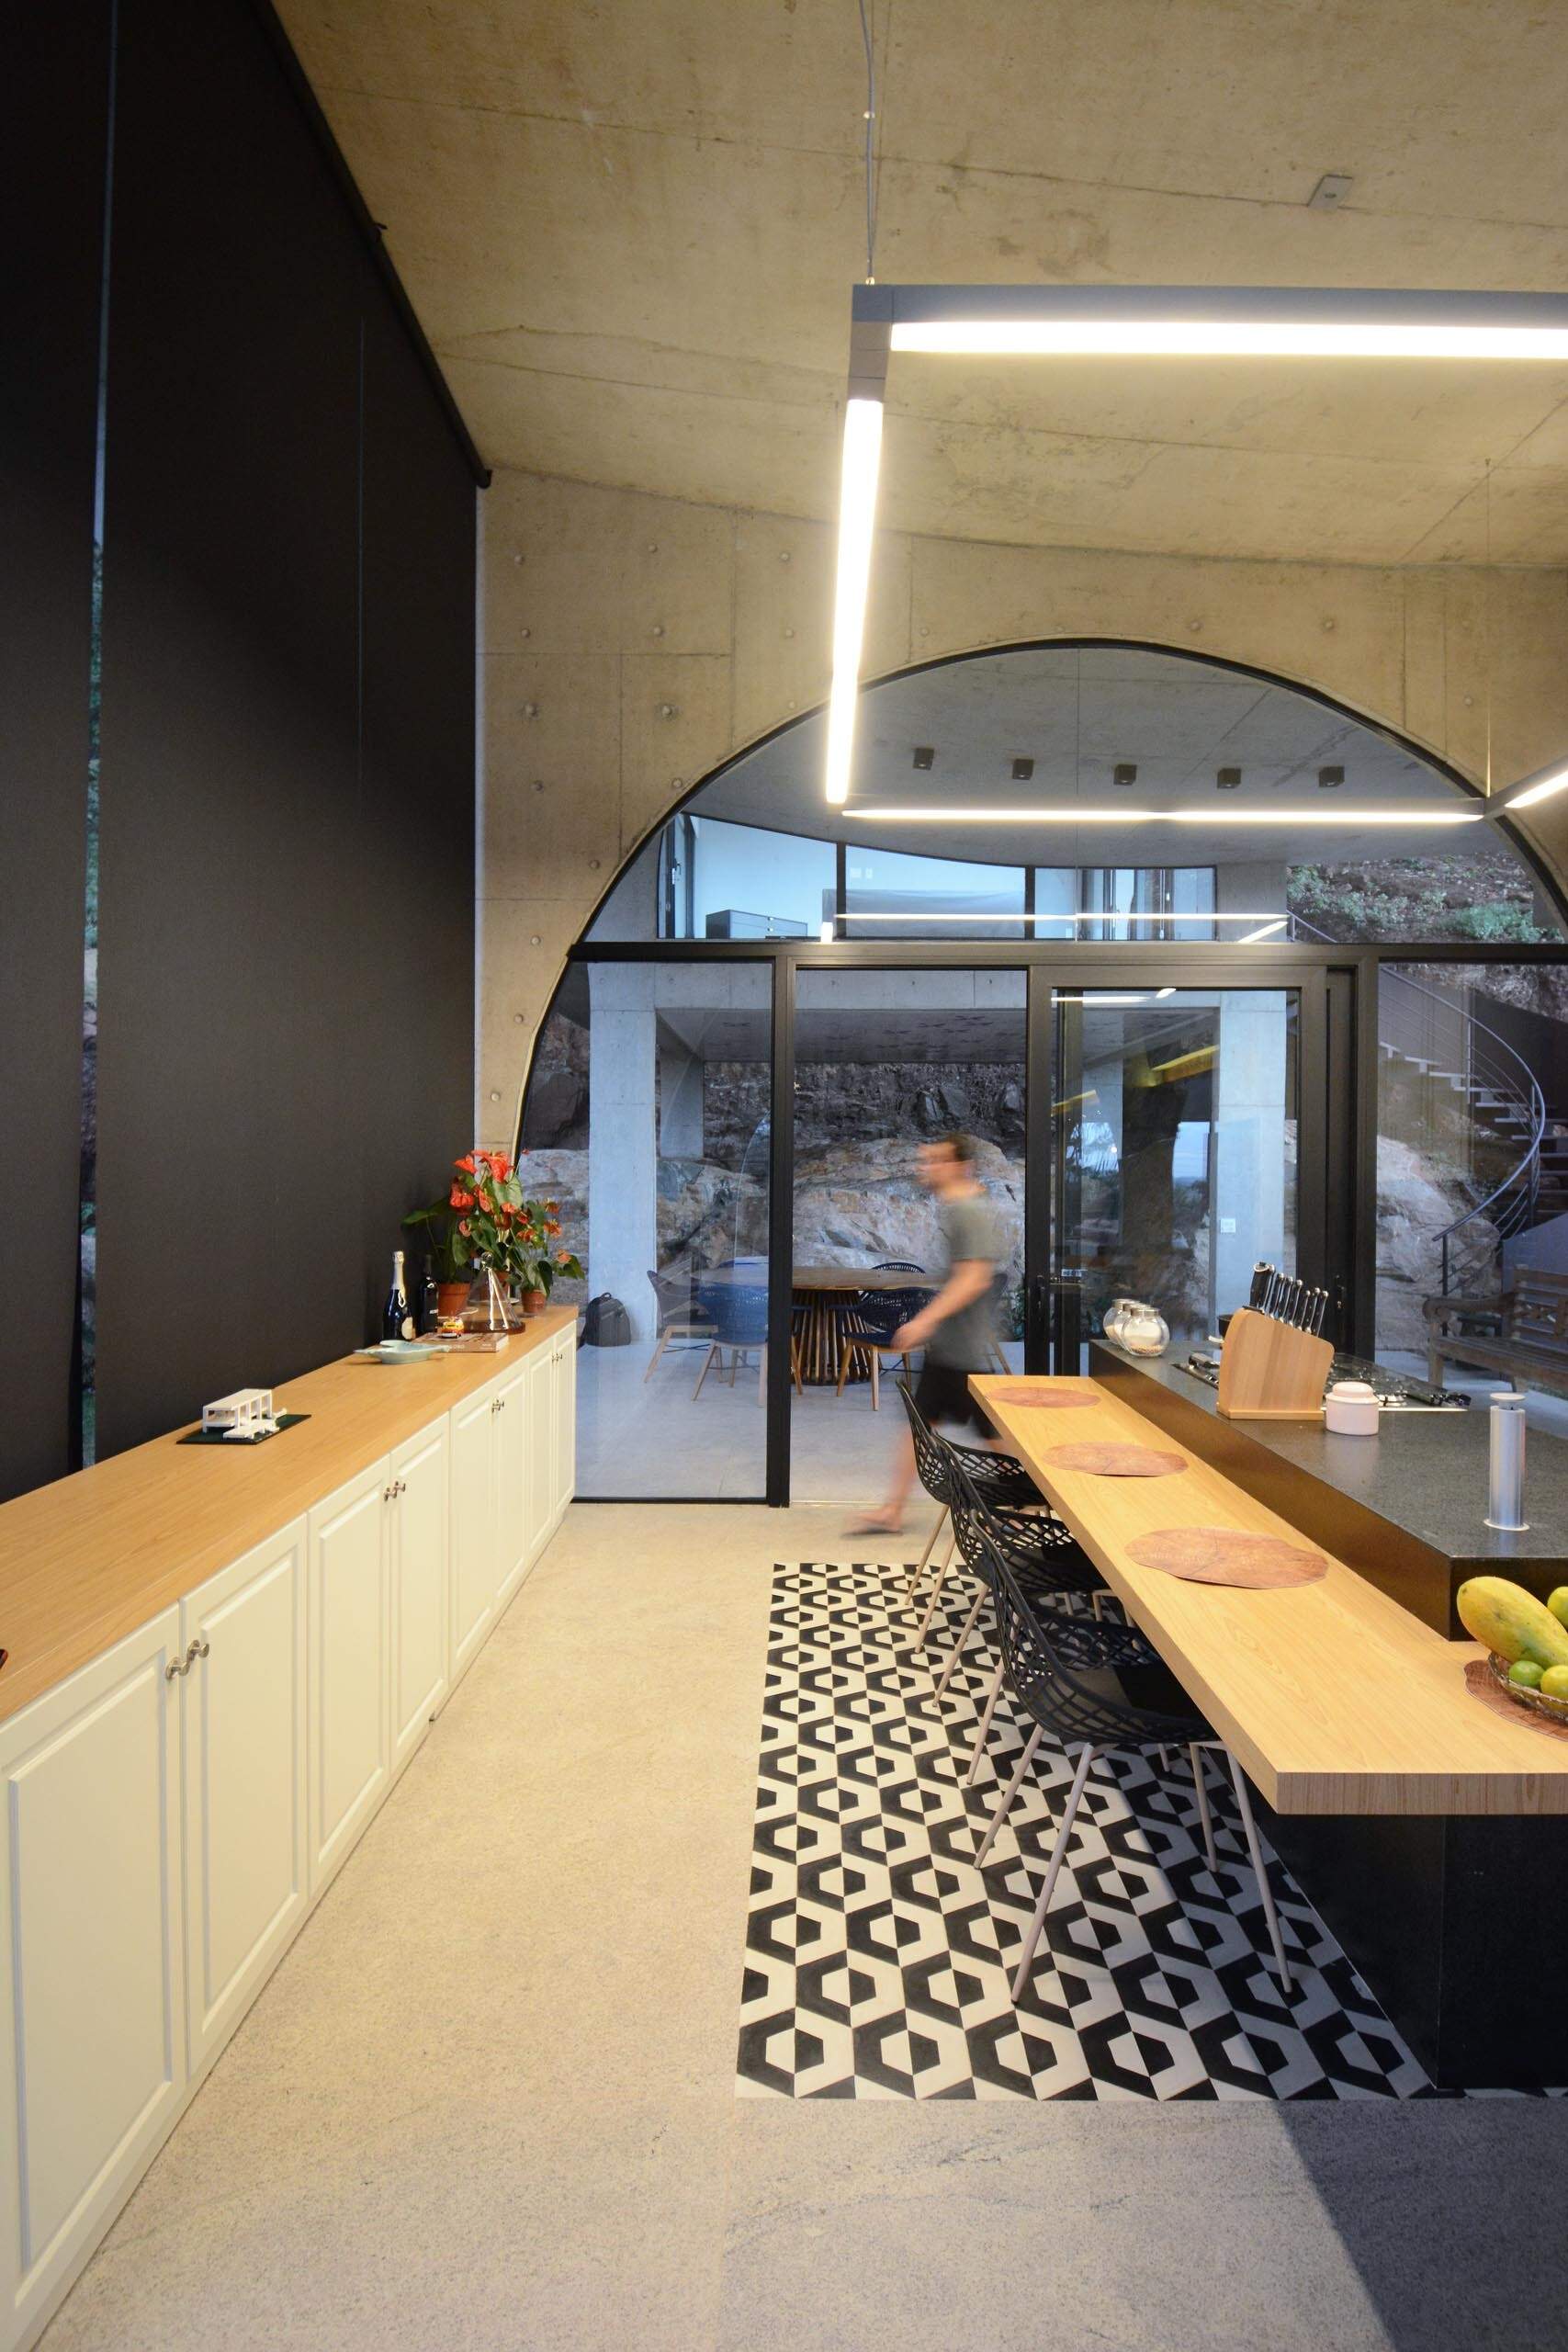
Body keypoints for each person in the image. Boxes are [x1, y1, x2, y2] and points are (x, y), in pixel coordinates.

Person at [849, 1132, 1002, 1536]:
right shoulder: (961, 1210)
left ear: (958, 1166)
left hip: (961, 1349)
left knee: (992, 1434)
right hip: (951, 1347)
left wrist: (924, 1320)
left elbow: (974, 1279)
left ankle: (1035, 1500)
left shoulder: (970, 1211)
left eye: (934, 1161)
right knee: (920, 1424)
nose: (926, 1169)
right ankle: (892, 1510)